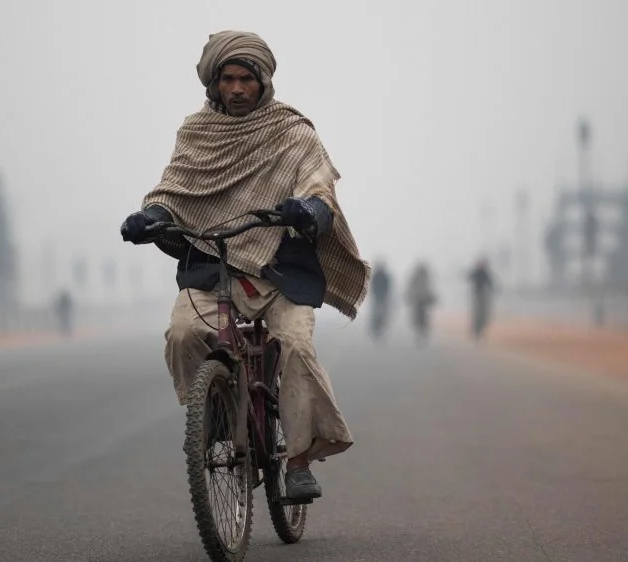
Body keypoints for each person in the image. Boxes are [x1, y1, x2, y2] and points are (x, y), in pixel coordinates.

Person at [119, 30, 370, 501]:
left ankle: (296, 461)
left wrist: (309, 212)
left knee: (294, 342)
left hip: (280, 273)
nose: (236, 89)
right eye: (227, 80)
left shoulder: (293, 133)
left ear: (263, 83)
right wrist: (150, 217)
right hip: (213, 267)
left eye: (245, 80)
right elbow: (174, 192)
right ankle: (215, 419)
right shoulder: (195, 132)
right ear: (213, 85)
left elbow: (319, 191)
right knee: (183, 333)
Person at [404, 262, 437, 344]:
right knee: (420, 317)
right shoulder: (424, 276)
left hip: (420, 299)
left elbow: (428, 287)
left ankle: (421, 332)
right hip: (419, 299)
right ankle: (421, 332)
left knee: (421, 317)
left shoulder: (421, 276)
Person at [466, 258, 496, 340]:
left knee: (484, 315)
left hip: (483, 296)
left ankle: (480, 331)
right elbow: (469, 277)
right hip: (477, 295)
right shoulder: (476, 272)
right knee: (477, 314)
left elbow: (491, 282)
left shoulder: (485, 273)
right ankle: (476, 332)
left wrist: (494, 289)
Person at [368, 259, 392, 340]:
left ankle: (379, 330)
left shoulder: (383, 276)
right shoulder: (379, 275)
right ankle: (376, 330)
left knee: (382, 314)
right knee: (377, 314)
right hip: (378, 297)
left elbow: (387, 287)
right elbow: (373, 286)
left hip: (382, 298)